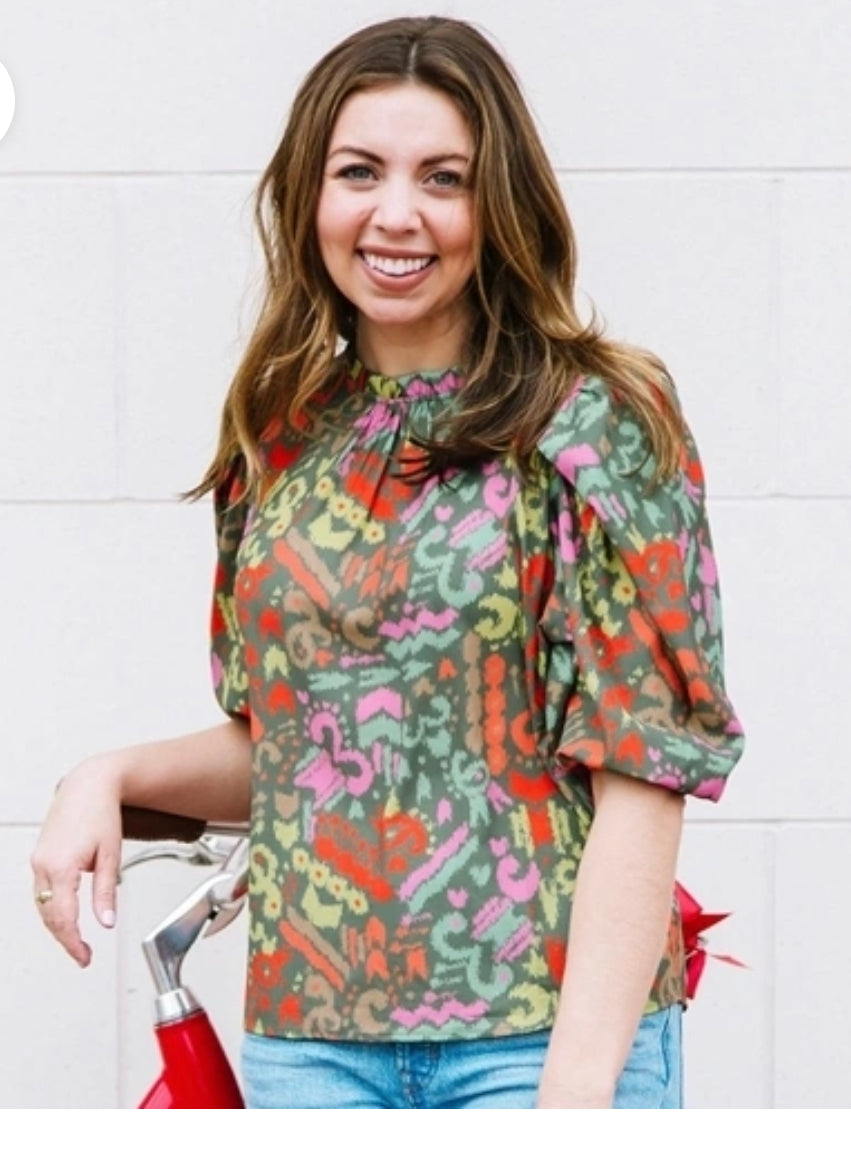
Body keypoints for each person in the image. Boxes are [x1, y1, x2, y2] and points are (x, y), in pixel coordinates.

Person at [31, 15, 744, 1109]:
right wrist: (109, 776)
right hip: (307, 1044)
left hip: (539, 1039)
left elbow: (642, 767)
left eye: (443, 178)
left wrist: (574, 1091)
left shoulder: (596, 416)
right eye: (358, 172)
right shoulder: (279, 432)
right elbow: (296, 742)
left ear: (496, 203)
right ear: (309, 197)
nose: (395, 214)